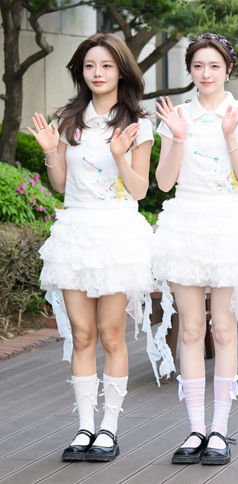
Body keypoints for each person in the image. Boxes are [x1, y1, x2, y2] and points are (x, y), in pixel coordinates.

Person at [29, 33, 154, 462]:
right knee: (82, 334)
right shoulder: (69, 119)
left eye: (105, 65)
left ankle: (109, 429)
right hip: (75, 232)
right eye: (89, 66)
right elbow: (61, 184)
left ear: (121, 70)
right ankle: (84, 427)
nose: (97, 73)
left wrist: (120, 155)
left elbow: (139, 190)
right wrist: (51, 152)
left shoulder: (137, 123)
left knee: (111, 333)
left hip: (117, 234)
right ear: (80, 72)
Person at [152, 33, 238, 466]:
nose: (206, 74)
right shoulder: (177, 115)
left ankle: (219, 428)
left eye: (215, 66)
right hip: (185, 221)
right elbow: (164, 182)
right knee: (189, 329)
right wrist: (178, 137)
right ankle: (195, 428)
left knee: (223, 327)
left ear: (228, 69)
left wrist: (230, 132)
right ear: (190, 69)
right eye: (198, 66)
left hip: (228, 223)